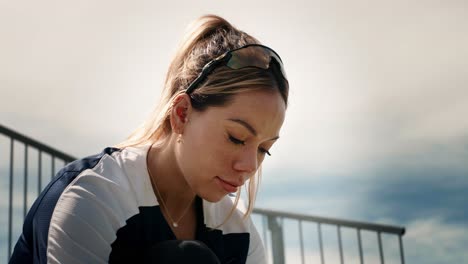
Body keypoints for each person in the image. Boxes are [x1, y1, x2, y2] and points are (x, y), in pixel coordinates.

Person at [9, 14, 289, 264]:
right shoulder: (91, 200)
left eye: (265, 149)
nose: (250, 165)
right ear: (182, 114)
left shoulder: (237, 233)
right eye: (236, 138)